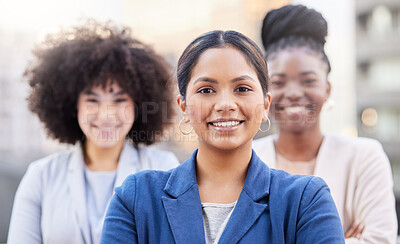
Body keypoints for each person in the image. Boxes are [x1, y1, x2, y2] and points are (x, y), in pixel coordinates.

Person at [100, 30, 345, 243]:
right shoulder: (135, 199)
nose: (225, 104)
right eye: (206, 90)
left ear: (264, 104)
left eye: (242, 89)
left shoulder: (306, 201)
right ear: (183, 107)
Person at [7, 20, 179, 244]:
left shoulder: (164, 170)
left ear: (138, 105)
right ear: (72, 105)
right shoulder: (41, 177)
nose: (106, 114)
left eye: (119, 100)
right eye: (92, 100)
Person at [253, 4, 397, 244]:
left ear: (327, 89)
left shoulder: (364, 157)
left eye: (308, 80)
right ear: (265, 93)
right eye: (278, 82)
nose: (294, 93)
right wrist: (333, 238)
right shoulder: (247, 160)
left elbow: (380, 241)